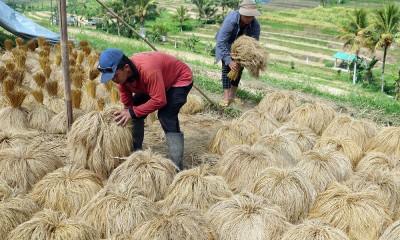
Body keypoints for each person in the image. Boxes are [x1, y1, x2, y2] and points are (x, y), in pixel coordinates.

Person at [97, 48, 193, 170]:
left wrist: (131, 112)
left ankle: (177, 166)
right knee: (134, 110)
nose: (114, 80)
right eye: (111, 77)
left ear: (126, 67)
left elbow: (159, 100)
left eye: (115, 75)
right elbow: (129, 107)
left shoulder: (148, 71)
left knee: (166, 115)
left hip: (179, 78)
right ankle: (136, 151)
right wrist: (128, 112)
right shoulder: (123, 80)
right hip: (157, 81)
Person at [215, 0, 261, 107]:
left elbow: (254, 45)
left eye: (251, 16)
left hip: (243, 50)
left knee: (238, 70)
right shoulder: (231, 20)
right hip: (226, 45)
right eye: (247, 16)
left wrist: (242, 59)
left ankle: (232, 95)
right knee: (227, 68)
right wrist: (229, 60)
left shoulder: (255, 25)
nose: (249, 19)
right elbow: (221, 41)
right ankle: (226, 97)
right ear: (241, 13)